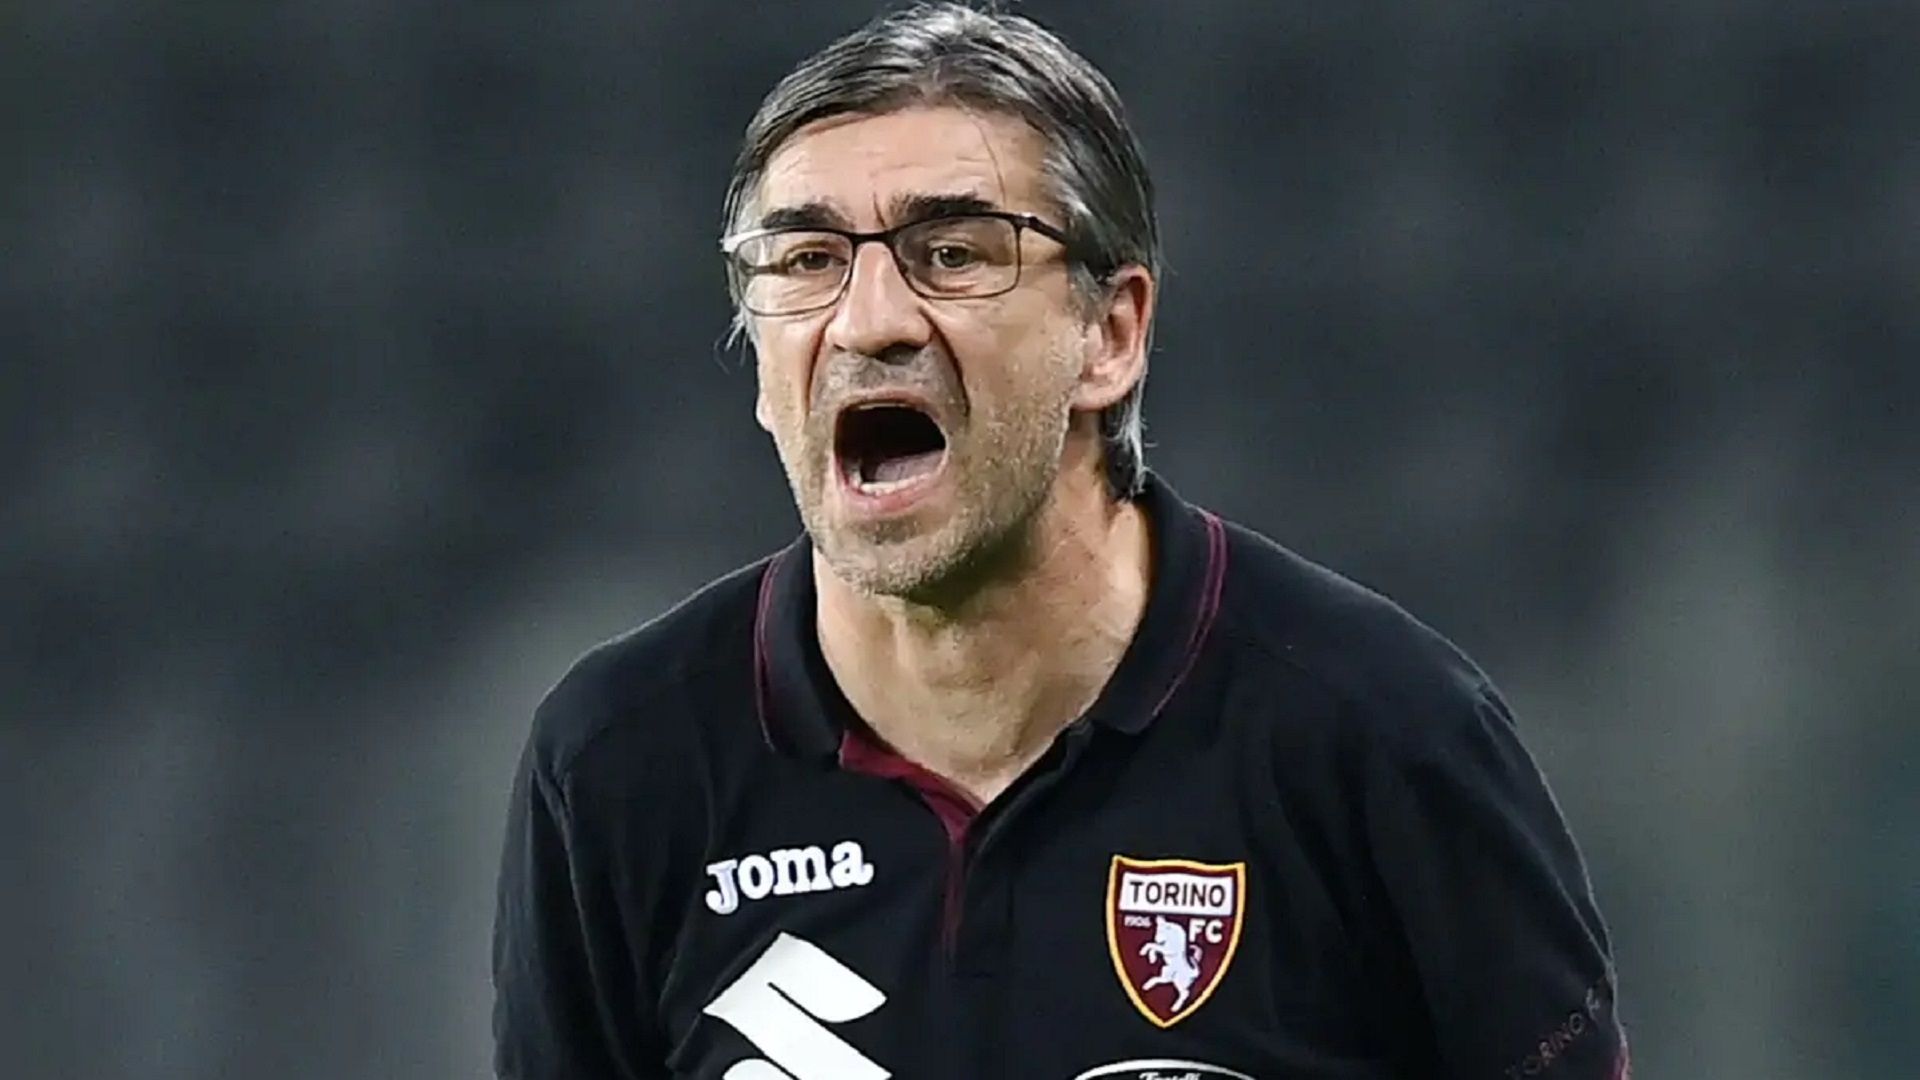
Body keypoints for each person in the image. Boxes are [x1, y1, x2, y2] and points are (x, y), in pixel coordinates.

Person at [491, 4, 1630, 1078]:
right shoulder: (620, 763)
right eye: (806, 262)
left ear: (1111, 335)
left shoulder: (1386, 733)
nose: (869, 321)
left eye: (953, 252)